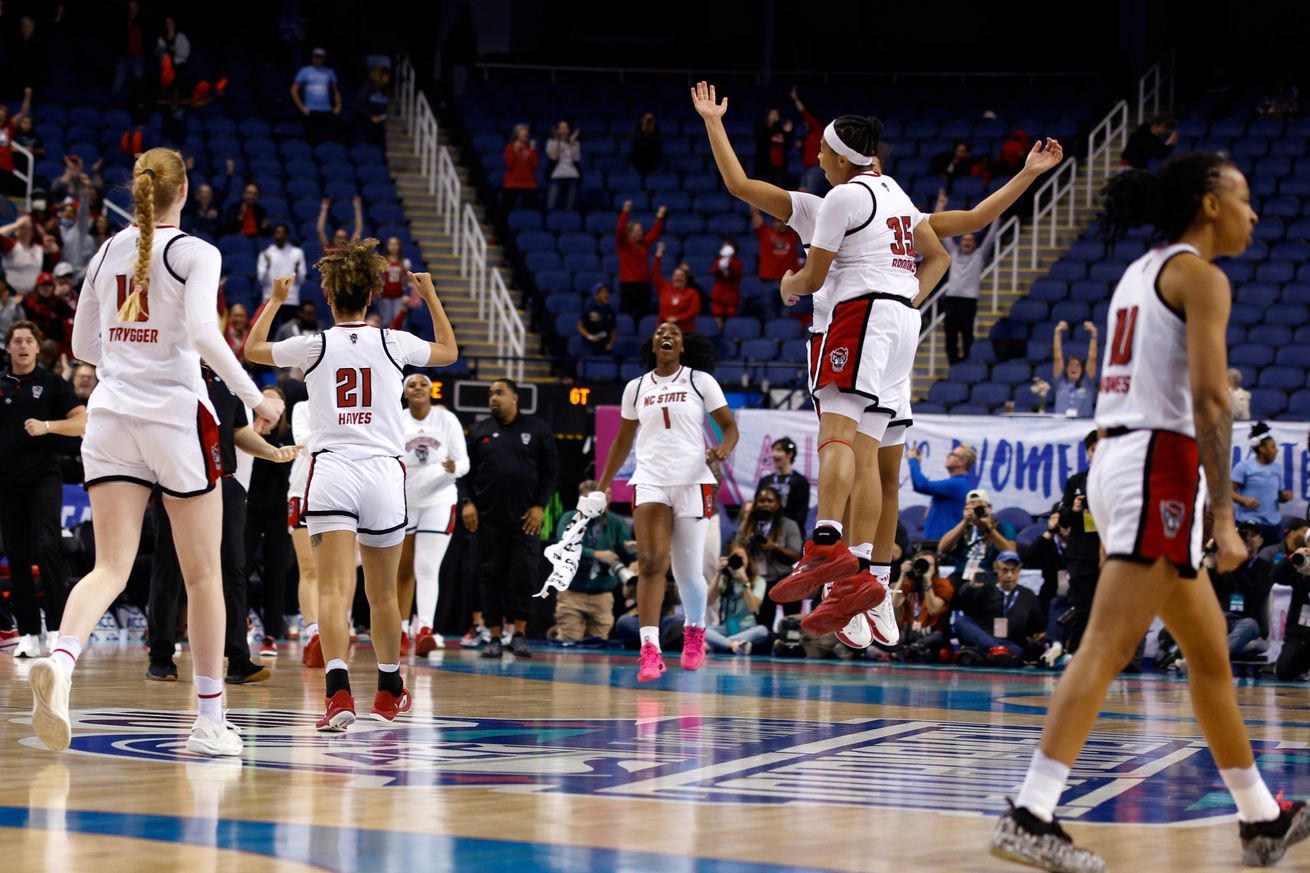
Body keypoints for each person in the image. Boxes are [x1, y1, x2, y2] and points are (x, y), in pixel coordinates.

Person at [992, 153, 1309, 872]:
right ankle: (1031, 812)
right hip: (1156, 465)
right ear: (1209, 203)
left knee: (1209, 655)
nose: (1254, 212)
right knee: (1107, 645)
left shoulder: (1142, 270)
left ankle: (1261, 819)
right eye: (1243, 196)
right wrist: (1223, 517)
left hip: (1121, 460)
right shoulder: (1201, 275)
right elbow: (1210, 400)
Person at [27, 148, 283, 757]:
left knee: (109, 568)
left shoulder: (105, 252)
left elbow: (82, 344)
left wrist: (128, 353)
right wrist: (254, 398)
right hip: (173, 418)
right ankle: (210, 721)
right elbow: (201, 333)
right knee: (205, 575)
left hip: (111, 417)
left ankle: (61, 661)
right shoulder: (196, 251)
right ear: (184, 190)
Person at [689, 83, 950, 653]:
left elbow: (803, 272)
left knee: (840, 442)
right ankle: (868, 583)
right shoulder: (872, 198)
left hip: (856, 324)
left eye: (824, 150)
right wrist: (714, 123)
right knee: (875, 464)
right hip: (898, 325)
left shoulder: (841, 201)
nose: (816, 156)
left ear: (842, 158)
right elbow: (741, 185)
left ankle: (831, 549)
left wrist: (789, 284)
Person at [245, 251, 458, 730]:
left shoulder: (314, 345)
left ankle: (338, 693)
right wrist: (429, 296)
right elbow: (448, 351)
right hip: (383, 473)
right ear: (370, 295)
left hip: (333, 471)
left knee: (333, 589)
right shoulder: (393, 341)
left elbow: (253, 349)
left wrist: (275, 301)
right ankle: (389, 690)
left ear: (327, 296)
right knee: (382, 594)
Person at [593, 323, 738, 680]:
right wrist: (602, 487)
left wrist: (723, 449)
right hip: (650, 481)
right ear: (653, 345)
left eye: (673, 332)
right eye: (659, 332)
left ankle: (695, 629)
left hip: (693, 481)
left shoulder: (700, 381)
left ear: (681, 346)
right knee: (650, 562)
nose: (666, 335)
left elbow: (730, 427)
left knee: (687, 572)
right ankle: (650, 650)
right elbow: (622, 441)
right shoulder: (636, 387)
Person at [147, 368, 297, 683]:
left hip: (224, 483)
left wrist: (271, 452)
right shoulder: (169, 375)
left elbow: (239, 432)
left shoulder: (227, 383)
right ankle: (161, 656)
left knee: (234, 571)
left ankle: (238, 658)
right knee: (169, 567)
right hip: (178, 480)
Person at [1, 320, 85, 658]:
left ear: (37, 347)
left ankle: (56, 629)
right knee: (16, 555)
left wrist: (48, 426)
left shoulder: (53, 383)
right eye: (17, 341)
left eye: (28, 341)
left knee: (47, 545)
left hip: (43, 477)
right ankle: (28, 633)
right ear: (9, 347)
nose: (23, 346)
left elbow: (82, 421)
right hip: (7, 480)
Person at [462, 378, 558, 659]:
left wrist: (540, 506)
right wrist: (467, 502)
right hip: (487, 520)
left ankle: (519, 634)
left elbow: (551, 473)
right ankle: (493, 635)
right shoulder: (479, 430)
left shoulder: (538, 429)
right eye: (491, 393)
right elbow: (464, 473)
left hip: (526, 519)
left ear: (515, 398)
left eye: (499, 393)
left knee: (523, 575)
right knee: (489, 576)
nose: (493, 398)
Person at [399, 373, 468, 655]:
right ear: (405, 393)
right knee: (402, 570)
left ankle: (425, 628)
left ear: (431, 390)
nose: (417, 388)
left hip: (439, 499)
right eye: (411, 385)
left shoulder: (447, 419)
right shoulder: (397, 419)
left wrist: (454, 468)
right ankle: (400, 630)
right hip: (404, 500)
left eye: (422, 384)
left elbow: (464, 462)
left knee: (427, 567)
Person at [245, 386, 298, 657]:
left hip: (279, 513)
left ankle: (270, 635)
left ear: (283, 409)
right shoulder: (247, 432)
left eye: (275, 403)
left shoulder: (291, 435)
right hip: (249, 510)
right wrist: (256, 432)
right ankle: (239, 623)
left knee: (276, 575)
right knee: (239, 568)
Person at [552, 481, 633, 642]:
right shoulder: (570, 518)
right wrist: (596, 554)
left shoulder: (615, 522)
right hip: (572, 593)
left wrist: (631, 550)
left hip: (602, 595)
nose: (606, 500)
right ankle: (560, 634)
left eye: (608, 496)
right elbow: (564, 546)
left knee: (598, 643)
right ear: (584, 499)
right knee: (570, 640)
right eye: (602, 497)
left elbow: (627, 555)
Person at [1054, 430, 1101, 657]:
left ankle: (1107, 654)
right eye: (1094, 449)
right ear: (1087, 452)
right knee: (1082, 606)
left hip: (1110, 552)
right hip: (1081, 553)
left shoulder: (1119, 482)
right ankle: (1075, 653)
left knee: (1109, 607)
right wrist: (1074, 509)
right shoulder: (1076, 482)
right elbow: (1063, 519)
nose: (1098, 453)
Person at [952, 551, 1045, 662]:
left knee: (1018, 651)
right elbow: (963, 601)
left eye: (1013, 571)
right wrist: (971, 586)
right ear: (996, 569)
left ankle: (987, 653)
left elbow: (1038, 626)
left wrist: (1041, 634)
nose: (1009, 576)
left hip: (1011, 644)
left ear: (1019, 571)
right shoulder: (984, 589)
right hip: (985, 639)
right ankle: (996, 650)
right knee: (961, 621)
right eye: (1005, 570)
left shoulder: (1028, 595)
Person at [286, 397, 322, 667]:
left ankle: (337, 627)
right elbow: (305, 443)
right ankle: (313, 633)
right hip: (302, 491)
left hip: (337, 494)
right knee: (309, 568)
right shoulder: (302, 407)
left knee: (335, 572)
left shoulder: (349, 406)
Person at [939, 489, 1018, 584]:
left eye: (979, 508)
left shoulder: (1002, 526)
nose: (976, 512)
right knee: (945, 586)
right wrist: (964, 521)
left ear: (989, 508)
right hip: (962, 574)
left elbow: (1011, 551)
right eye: (970, 509)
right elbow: (942, 548)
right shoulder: (965, 529)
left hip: (988, 573)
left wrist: (988, 528)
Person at [1233, 421, 1290, 547]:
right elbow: (1227, 492)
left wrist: (1284, 497)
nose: (1276, 450)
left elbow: (1278, 495)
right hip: (1249, 524)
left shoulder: (1276, 468)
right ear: (1262, 449)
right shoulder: (1244, 467)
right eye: (1272, 447)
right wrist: (1244, 500)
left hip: (1273, 525)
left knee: (1271, 557)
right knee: (1247, 556)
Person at [904, 443, 976, 542]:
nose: (948, 456)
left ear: (963, 462)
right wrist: (917, 464)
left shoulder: (958, 484)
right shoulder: (959, 483)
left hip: (941, 544)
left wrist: (913, 460)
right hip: (938, 542)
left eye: (952, 454)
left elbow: (922, 485)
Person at [705, 541, 768, 654]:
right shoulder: (725, 579)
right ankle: (734, 645)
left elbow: (753, 608)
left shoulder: (759, 581)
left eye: (741, 558)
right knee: (700, 630)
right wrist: (718, 573)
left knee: (763, 631)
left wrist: (744, 581)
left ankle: (722, 643)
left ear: (748, 560)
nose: (738, 560)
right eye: (734, 557)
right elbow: (708, 601)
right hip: (725, 628)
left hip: (747, 629)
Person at [938, 212, 984, 365]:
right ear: (960, 242)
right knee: (950, 333)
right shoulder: (953, 252)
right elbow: (944, 236)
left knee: (967, 333)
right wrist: (940, 208)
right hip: (952, 299)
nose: (967, 242)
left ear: (974, 244)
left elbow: (991, 238)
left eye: (970, 240)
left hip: (969, 301)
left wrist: (997, 219)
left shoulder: (979, 255)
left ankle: (967, 363)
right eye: (965, 239)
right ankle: (953, 363)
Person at [892, 550, 953, 662]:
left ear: (935, 569)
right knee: (878, 639)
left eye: (930, 565)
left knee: (937, 638)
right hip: (909, 633)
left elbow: (933, 610)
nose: (926, 568)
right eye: (922, 563)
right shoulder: (909, 584)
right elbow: (894, 603)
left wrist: (927, 582)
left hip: (930, 633)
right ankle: (909, 650)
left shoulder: (942, 585)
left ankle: (908, 651)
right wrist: (902, 575)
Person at [616, 201, 665, 319]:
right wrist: (625, 212)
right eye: (638, 230)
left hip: (643, 284)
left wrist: (660, 217)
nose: (641, 232)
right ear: (630, 232)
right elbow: (620, 230)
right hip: (628, 285)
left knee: (644, 315)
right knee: (627, 315)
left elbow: (654, 233)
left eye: (641, 230)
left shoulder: (644, 244)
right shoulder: (623, 244)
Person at [751, 207, 802, 319]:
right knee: (768, 310)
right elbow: (756, 219)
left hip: (790, 280)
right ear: (773, 223)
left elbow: (801, 220)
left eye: (783, 222)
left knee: (788, 311)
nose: (781, 224)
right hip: (769, 279)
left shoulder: (793, 234)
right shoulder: (765, 232)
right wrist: (754, 209)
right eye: (778, 221)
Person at [1273, 531, 1310, 681]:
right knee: (1284, 672)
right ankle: (1303, 668)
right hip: (1299, 632)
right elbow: (1275, 576)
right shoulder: (1300, 564)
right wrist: (1291, 558)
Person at [756, 437, 811, 534]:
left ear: (790, 454)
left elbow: (801, 512)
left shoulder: (800, 481)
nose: (773, 454)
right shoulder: (765, 480)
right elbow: (756, 506)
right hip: (764, 530)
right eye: (773, 450)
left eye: (778, 450)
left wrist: (792, 532)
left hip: (788, 532)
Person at [291, 48, 342, 145]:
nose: (318, 59)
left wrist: (338, 105)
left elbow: (336, 90)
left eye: (320, 57)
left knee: (327, 139)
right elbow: (293, 90)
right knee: (311, 139)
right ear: (312, 58)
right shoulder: (304, 71)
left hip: (326, 110)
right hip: (310, 110)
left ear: (324, 59)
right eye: (316, 57)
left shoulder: (329, 72)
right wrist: (301, 107)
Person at [257, 224, 306, 324]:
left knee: (289, 330)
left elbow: (301, 280)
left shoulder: (297, 253)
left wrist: (297, 270)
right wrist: (268, 266)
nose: (280, 235)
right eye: (278, 232)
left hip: (291, 299)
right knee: (269, 330)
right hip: (270, 298)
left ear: (287, 235)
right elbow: (261, 280)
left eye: (283, 232)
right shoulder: (266, 254)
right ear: (273, 235)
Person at [1051, 321, 1098, 417]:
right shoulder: (1060, 382)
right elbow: (1057, 358)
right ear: (1066, 369)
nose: (1073, 367)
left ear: (1082, 370)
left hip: (1082, 424)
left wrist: (1094, 334)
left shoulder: (1087, 382)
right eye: (1070, 365)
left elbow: (1092, 359)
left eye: (1077, 365)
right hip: (1060, 424)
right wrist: (1057, 333)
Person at [652, 242, 700, 332]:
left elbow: (693, 311)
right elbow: (655, 273)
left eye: (681, 276)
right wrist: (658, 256)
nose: (678, 278)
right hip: (664, 330)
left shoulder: (692, 293)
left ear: (686, 279)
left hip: (685, 331)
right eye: (676, 275)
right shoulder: (664, 287)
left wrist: (677, 318)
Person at [789, 86, 827, 195]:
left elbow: (804, 114)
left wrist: (796, 99)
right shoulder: (809, 135)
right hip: (806, 168)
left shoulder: (819, 130)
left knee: (810, 195)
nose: (805, 123)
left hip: (816, 167)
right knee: (802, 194)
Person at [0, 87, 32, 195]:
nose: (0, 117)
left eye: (2, 115)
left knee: (3, 196)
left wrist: (28, 96)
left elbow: (23, 113)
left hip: (5, 166)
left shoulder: (9, 126)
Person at [502, 124, 540, 214]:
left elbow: (535, 165)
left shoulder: (531, 149)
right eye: (522, 131)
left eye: (526, 132)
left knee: (530, 211)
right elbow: (509, 164)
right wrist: (516, 151)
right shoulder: (509, 148)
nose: (525, 134)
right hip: (512, 184)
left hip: (529, 185)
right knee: (506, 210)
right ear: (517, 134)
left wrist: (532, 150)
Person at [545, 120, 582, 212]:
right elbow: (553, 157)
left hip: (572, 176)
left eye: (565, 128)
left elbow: (576, 158)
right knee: (551, 205)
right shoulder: (551, 142)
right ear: (557, 130)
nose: (563, 131)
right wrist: (558, 141)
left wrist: (572, 142)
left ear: (569, 130)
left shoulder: (575, 143)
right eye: (561, 128)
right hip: (557, 175)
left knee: (570, 206)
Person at [2, 214, 43, 293]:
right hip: (12, 291)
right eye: (22, 228)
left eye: (29, 228)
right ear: (16, 231)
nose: (26, 231)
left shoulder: (39, 248)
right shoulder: (11, 245)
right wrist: (17, 224)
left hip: (34, 293)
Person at [753, 107, 793, 188]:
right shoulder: (761, 127)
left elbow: (787, 146)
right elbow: (763, 139)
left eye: (777, 114)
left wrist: (788, 133)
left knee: (779, 187)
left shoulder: (780, 130)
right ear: (768, 115)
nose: (775, 116)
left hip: (778, 166)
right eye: (773, 114)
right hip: (764, 166)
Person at [377, 237, 412, 330]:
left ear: (399, 247)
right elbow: (378, 278)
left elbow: (407, 281)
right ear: (387, 246)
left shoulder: (404, 263)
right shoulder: (383, 262)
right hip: (385, 295)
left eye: (396, 244)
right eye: (391, 244)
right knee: (386, 322)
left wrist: (407, 294)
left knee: (399, 321)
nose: (393, 247)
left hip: (399, 296)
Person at [708, 238, 743, 325]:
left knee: (730, 322)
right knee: (717, 321)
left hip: (731, 296)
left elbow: (737, 275)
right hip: (718, 296)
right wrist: (721, 263)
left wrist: (729, 262)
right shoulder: (719, 260)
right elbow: (713, 271)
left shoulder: (737, 262)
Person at [354, 65, 391, 147]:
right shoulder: (368, 88)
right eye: (386, 77)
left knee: (380, 147)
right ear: (379, 76)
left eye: (388, 78)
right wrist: (371, 116)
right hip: (366, 125)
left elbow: (385, 108)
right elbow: (359, 104)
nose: (387, 79)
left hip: (379, 126)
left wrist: (385, 118)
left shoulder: (386, 91)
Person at [577, 282, 616, 355]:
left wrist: (611, 344)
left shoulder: (610, 310)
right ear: (596, 296)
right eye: (603, 292)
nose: (607, 294)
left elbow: (613, 330)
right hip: (590, 346)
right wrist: (590, 337)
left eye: (607, 292)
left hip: (604, 346)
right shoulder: (589, 309)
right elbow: (579, 327)